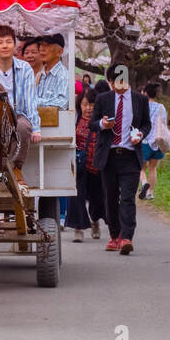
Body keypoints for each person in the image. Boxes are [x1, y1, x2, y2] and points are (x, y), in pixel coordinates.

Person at [90, 64, 151, 255]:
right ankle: (114, 235)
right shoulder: (103, 99)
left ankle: (126, 238)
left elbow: (147, 124)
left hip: (130, 156)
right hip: (109, 156)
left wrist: (140, 134)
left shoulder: (140, 100)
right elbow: (93, 123)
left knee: (127, 198)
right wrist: (102, 124)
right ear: (110, 82)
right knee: (110, 198)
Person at [0, 24, 41, 184]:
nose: (4, 46)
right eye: (0, 42)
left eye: (8, 42)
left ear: (15, 45)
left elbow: (31, 100)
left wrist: (36, 128)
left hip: (17, 114)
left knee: (23, 128)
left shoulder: (24, 68)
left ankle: (17, 167)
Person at [65, 87, 105, 242]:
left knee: (97, 198)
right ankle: (79, 228)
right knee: (77, 196)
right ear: (79, 105)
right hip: (78, 165)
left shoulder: (102, 121)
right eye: (85, 104)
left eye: (92, 104)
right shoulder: (74, 119)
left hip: (96, 166)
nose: (88, 108)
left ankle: (94, 221)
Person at [138, 83, 170, 201]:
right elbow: (164, 123)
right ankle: (150, 193)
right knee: (153, 168)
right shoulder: (161, 107)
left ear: (145, 93)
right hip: (157, 141)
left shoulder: (142, 105)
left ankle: (144, 183)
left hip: (144, 140)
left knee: (141, 168)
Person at [35, 33, 71, 108]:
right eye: (41, 44)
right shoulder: (39, 75)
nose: (42, 49)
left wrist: (34, 101)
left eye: (47, 45)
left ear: (60, 52)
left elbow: (62, 104)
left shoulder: (63, 75)